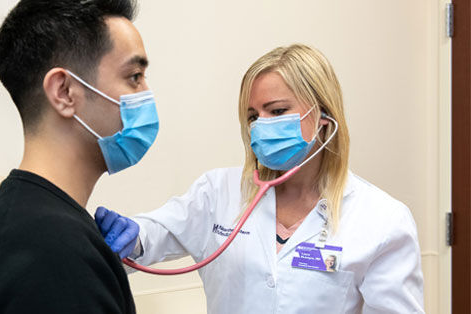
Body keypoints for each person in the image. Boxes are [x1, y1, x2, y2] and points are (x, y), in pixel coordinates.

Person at [96, 44, 425, 313]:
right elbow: (156, 233)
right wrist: (131, 236)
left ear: (324, 116)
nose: (260, 125)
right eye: (253, 116)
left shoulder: (382, 219)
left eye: (277, 111)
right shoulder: (219, 192)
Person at [0, 0, 154, 313]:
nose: (146, 93)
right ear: (64, 92)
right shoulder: (52, 255)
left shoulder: (27, 219)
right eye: (135, 76)